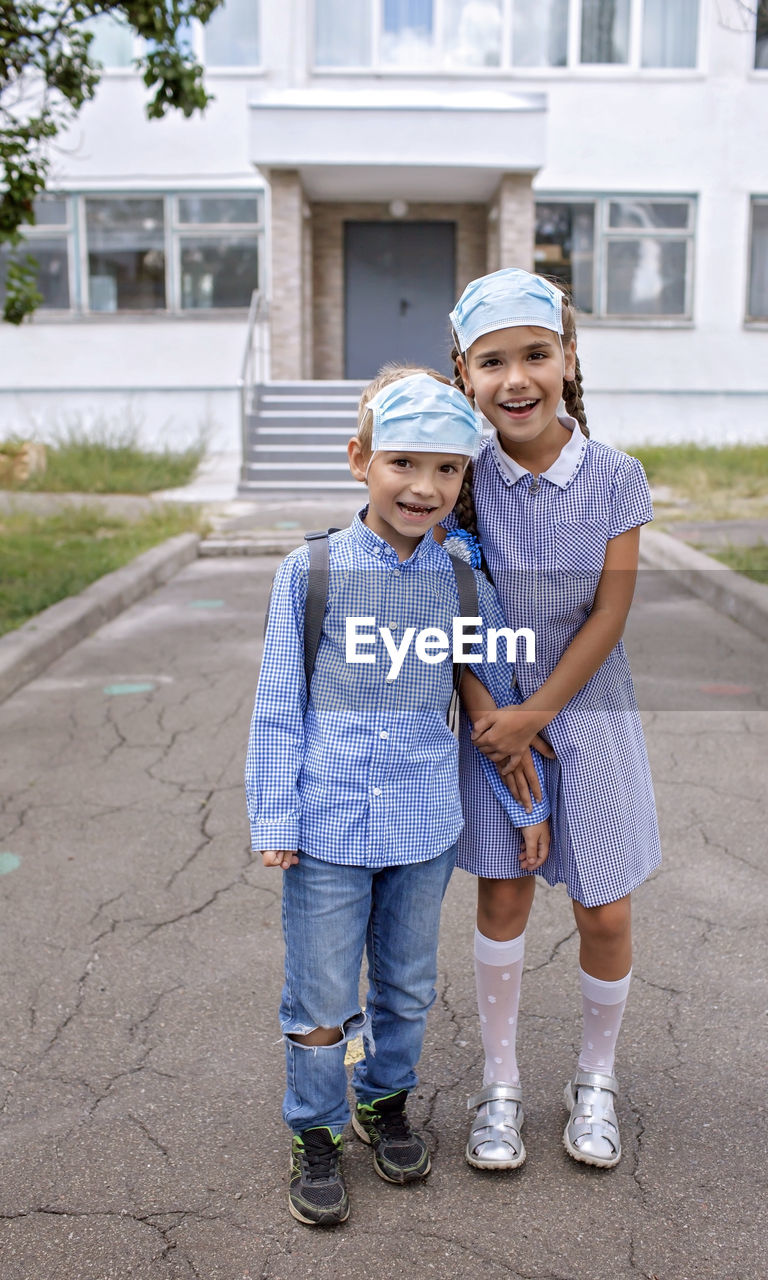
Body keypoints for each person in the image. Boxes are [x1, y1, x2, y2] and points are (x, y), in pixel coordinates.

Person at [245, 365, 550, 1227]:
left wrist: (527, 807)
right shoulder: (310, 573)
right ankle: (314, 1128)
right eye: (403, 464)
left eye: (447, 470)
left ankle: (383, 1100)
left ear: (463, 479)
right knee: (319, 995)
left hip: (423, 826)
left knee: (408, 986)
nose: (424, 487)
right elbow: (278, 703)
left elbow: (489, 699)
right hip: (326, 824)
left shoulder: (460, 581)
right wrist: (274, 817)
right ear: (359, 460)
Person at [446, 267, 661, 1172]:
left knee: (602, 908)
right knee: (503, 896)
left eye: (536, 354)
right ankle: (500, 1084)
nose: (516, 379)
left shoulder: (613, 476)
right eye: (492, 362)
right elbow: (444, 603)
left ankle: (595, 1077)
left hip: (589, 716)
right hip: (492, 716)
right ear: (463, 375)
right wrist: (489, 712)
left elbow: (608, 616)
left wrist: (537, 713)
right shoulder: (457, 477)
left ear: (569, 359)